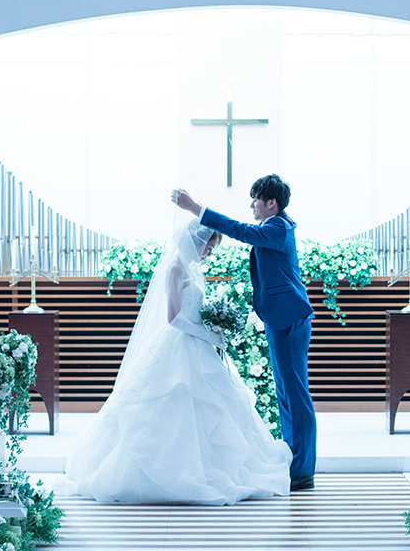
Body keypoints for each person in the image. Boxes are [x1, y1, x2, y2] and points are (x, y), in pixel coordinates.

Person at [63, 217, 291, 505]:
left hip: (198, 344)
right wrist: (208, 334)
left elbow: (194, 310)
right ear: (197, 241)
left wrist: (212, 327)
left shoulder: (192, 268)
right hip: (179, 343)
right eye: (208, 247)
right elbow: (173, 318)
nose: (209, 253)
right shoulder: (175, 267)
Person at [172, 174, 317, 492]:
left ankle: (303, 470)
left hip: (289, 320)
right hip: (280, 319)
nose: (252, 205)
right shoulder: (275, 227)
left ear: (271, 203)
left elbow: (239, 230)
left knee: (296, 395)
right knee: (285, 394)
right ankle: (294, 461)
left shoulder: (277, 227)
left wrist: (195, 208)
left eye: (255, 200)